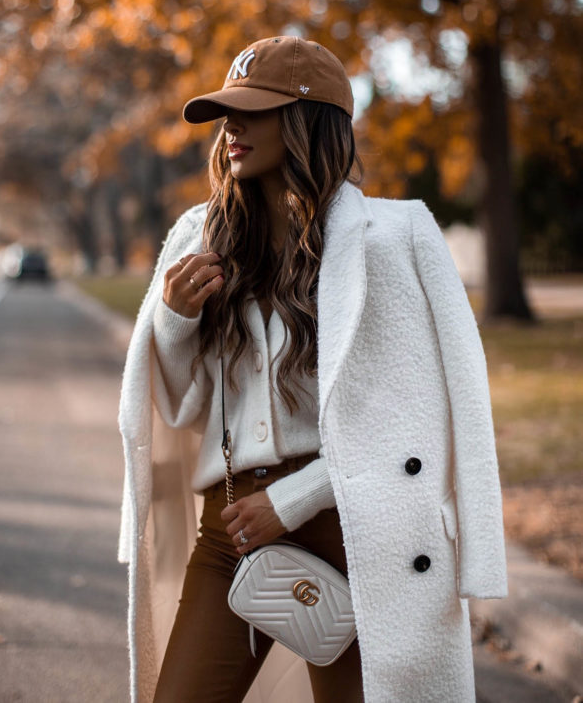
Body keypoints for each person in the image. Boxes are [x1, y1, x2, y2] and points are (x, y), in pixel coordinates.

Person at [116, 35, 509, 703]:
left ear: (308, 120)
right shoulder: (199, 238)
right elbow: (180, 408)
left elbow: (413, 423)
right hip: (232, 521)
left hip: (354, 524)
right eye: (226, 112)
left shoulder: (394, 239)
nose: (231, 127)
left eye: (253, 110)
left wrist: (292, 502)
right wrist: (176, 319)